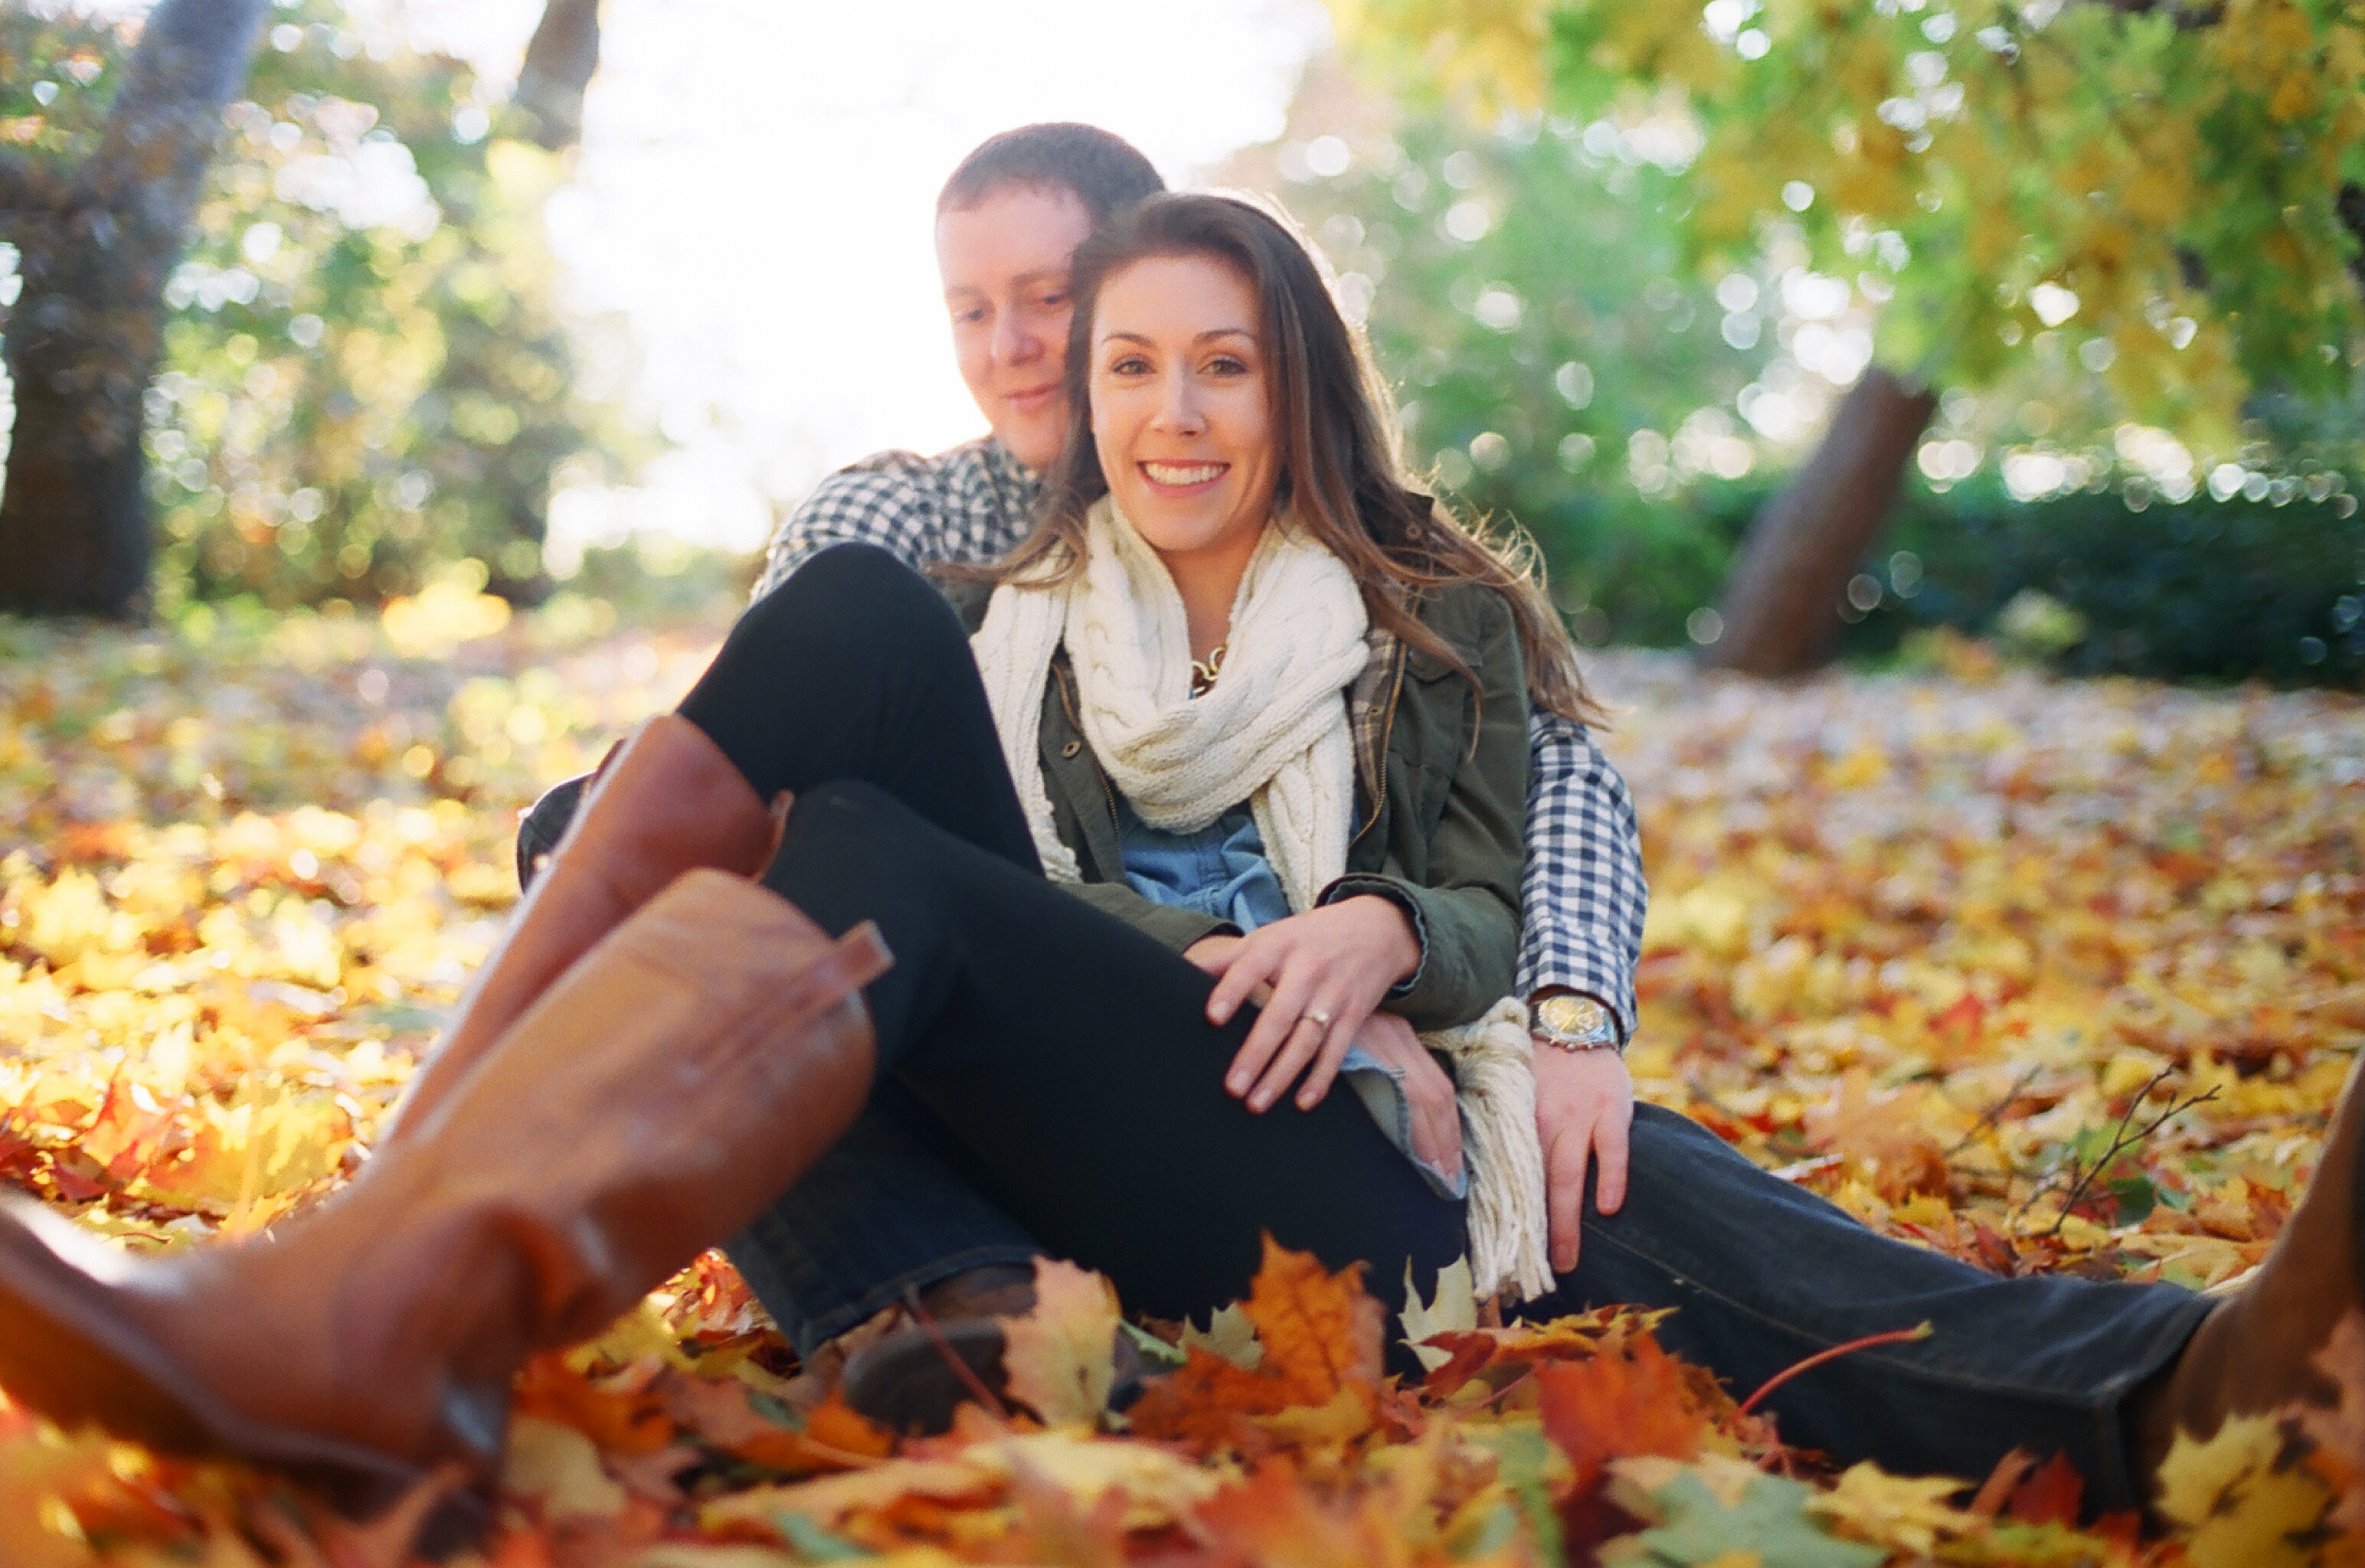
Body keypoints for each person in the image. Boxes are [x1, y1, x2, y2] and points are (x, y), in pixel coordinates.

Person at [0, 192, 2357, 1538]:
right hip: (1117, 1083)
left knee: (1621, 1188)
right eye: (1098, 360)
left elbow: (1553, 818)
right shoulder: (999, 579)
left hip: (1375, 1133)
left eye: (1206, 361)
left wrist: (1504, 989)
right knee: (773, 801)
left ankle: (2169, 1393)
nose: (1143, 403)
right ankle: (671, 1284)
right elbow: (805, 631)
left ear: (1294, 378)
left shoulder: (1425, 614)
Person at [502, 125, 1652, 1388]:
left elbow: (1550, 778)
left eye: (1051, 301)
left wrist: (1549, 1010)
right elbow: (740, 808)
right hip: (960, 1000)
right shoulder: (913, 529)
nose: (1014, 348)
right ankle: (945, 1290)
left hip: (1200, 1076)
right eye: (973, 310)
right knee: (611, 819)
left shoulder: (1348, 568)